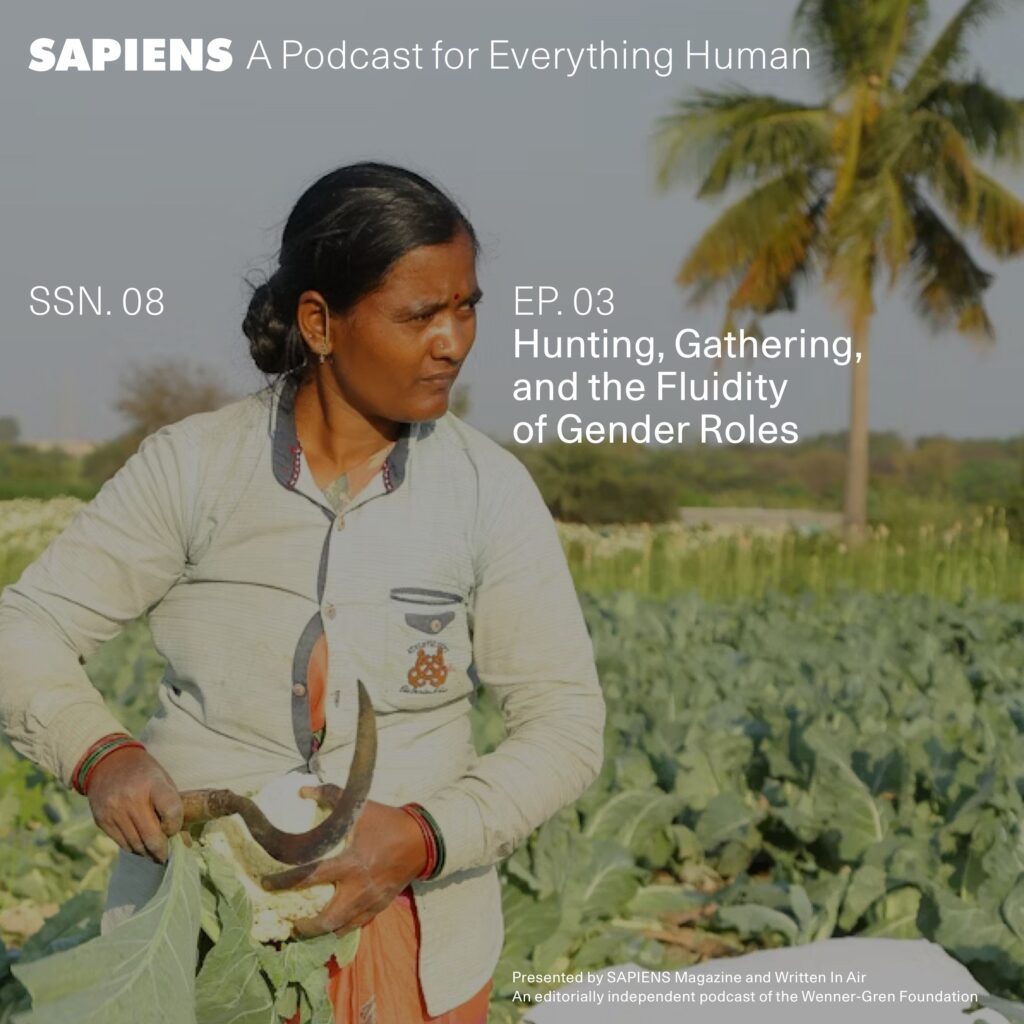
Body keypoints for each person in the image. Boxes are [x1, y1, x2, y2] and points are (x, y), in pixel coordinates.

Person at [0, 162, 606, 1023]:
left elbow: (566, 723)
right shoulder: (196, 466)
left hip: (422, 941)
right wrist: (100, 753)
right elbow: (25, 625)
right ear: (320, 322)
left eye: (467, 306)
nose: (454, 341)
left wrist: (427, 837)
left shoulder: (488, 491)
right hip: (198, 935)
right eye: (419, 315)